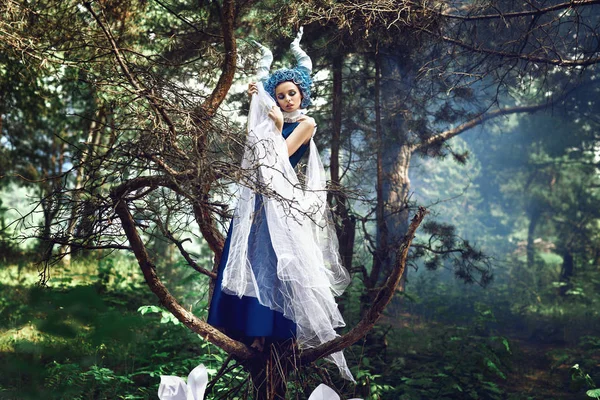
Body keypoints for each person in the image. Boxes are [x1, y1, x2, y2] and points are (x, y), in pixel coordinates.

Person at [207, 28, 354, 381]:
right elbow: (257, 158)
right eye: (281, 95)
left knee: (276, 262)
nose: (287, 100)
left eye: (292, 93)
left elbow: (282, 158)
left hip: (283, 197)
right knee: (254, 259)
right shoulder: (273, 118)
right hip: (260, 197)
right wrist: (262, 94)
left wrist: (274, 124)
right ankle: (249, 332)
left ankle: (274, 333)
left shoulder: (305, 123)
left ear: (303, 94)